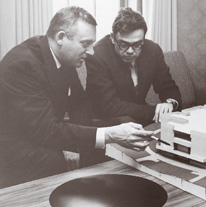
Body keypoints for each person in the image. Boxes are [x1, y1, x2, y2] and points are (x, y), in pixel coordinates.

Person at [0, 6, 153, 189]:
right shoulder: (23, 65)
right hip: (13, 144)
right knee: (54, 160)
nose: (91, 52)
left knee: (120, 123)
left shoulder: (63, 57)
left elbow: (79, 105)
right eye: (85, 43)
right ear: (61, 38)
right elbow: (45, 130)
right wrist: (109, 134)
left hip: (44, 131)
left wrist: (78, 145)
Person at [85, 7, 182, 126]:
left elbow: (167, 86)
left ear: (143, 39)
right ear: (112, 38)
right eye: (123, 44)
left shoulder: (153, 50)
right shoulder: (97, 55)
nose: (130, 51)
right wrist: (155, 110)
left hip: (137, 116)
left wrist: (170, 104)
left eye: (137, 44)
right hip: (104, 120)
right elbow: (109, 106)